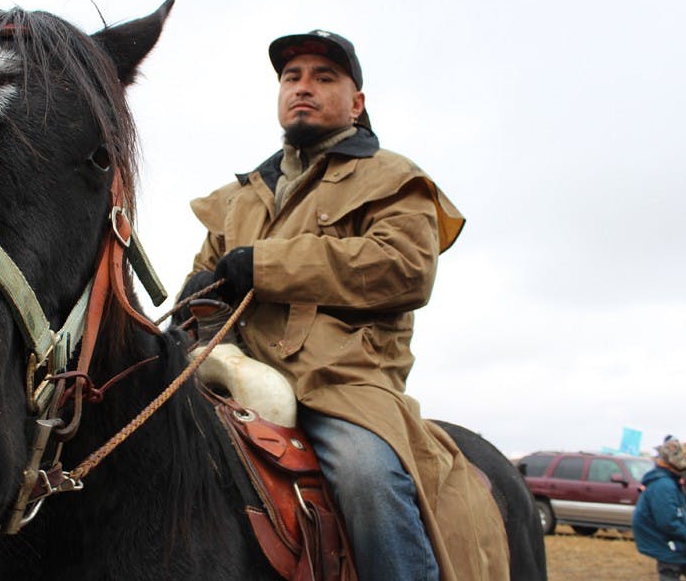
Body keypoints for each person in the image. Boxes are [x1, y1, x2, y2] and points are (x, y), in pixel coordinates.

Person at [175, 30, 507, 581]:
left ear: (356, 102)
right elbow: (204, 284)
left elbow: (403, 268)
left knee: (365, 477)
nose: (303, 87)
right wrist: (197, 297)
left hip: (343, 383)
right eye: (292, 77)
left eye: (324, 77)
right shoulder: (236, 198)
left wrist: (262, 266)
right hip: (230, 375)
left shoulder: (394, 179)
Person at [632, 436, 686, 580]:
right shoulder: (664, 486)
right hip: (671, 548)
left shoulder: (669, 482)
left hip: (677, 546)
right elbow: (668, 522)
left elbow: (681, 516)